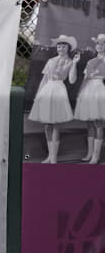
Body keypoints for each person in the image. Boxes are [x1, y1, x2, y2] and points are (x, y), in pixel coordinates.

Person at [29, 34, 80, 163]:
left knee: (55, 123)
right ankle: (49, 155)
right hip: (47, 89)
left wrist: (74, 64)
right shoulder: (51, 61)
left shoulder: (70, 62)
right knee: (47, 124)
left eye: (63, 45)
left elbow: (72, 80)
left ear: (68, 48)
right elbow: (44, 79)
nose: (60, 47)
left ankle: (54, 157)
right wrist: (38, 95)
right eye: (59, 45)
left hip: (58, 89)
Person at [74, 33, 105, 164]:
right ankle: (89, 153)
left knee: (98, 122)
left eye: (103, 43)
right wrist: (80, 93)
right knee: (89, 123)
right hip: (88, 90)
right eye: (98, 43)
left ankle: (96, 156)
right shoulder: (90, 61)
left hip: (99, 89)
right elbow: (85, 78)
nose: (99, 46)